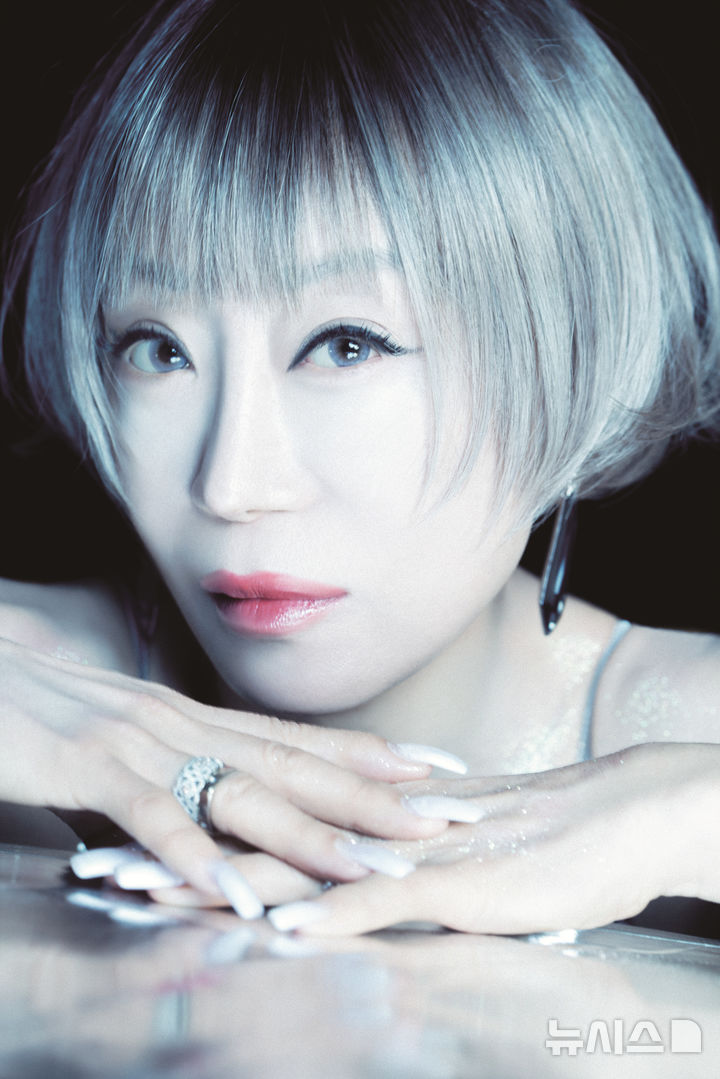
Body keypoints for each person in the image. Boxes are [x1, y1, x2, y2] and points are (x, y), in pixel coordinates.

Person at [0, 0, 718, 937]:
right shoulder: (32, 692)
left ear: (572, 351)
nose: (232, 486)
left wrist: (691, 820)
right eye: (159, 350)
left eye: (346, 344)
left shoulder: (688, 728)